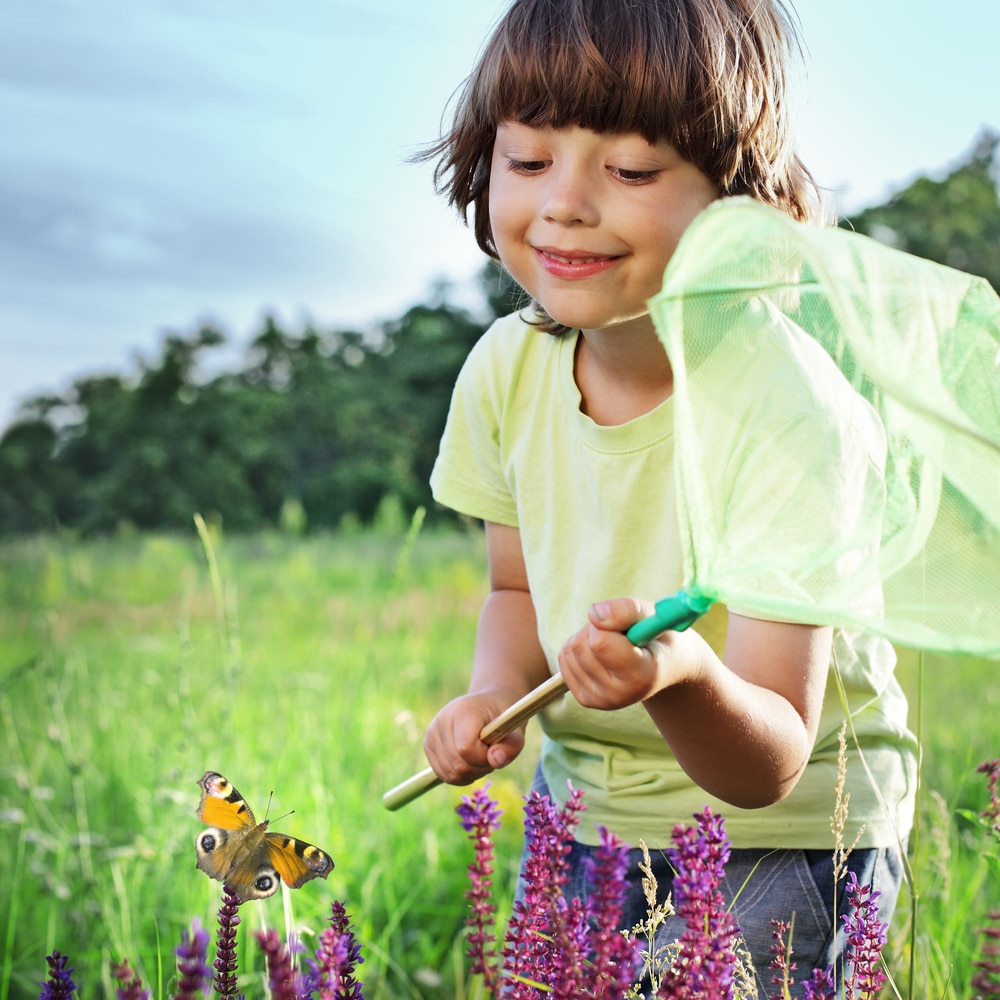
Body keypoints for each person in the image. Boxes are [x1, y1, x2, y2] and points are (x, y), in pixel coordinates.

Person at [420, 0, 917, 993]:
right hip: (585, 811)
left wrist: (678, 676)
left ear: (731, 206)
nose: (564, 202)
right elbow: (515, 591)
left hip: (782, 834)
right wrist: (491, 693)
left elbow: (769, 752)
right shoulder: (503, 371)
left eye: (632, 170)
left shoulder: (786, 411)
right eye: (527, 161)